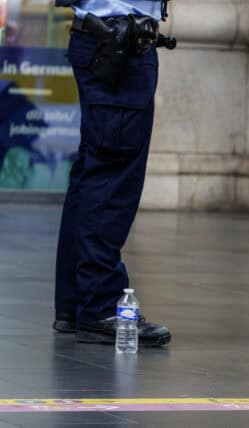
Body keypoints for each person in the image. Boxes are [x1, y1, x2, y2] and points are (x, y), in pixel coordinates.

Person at [52, 0, 173, 346]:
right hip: (118, 40)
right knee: (111, 180)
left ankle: (75, 303)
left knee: (95, 170)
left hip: (105, 36)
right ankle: (100, 305)